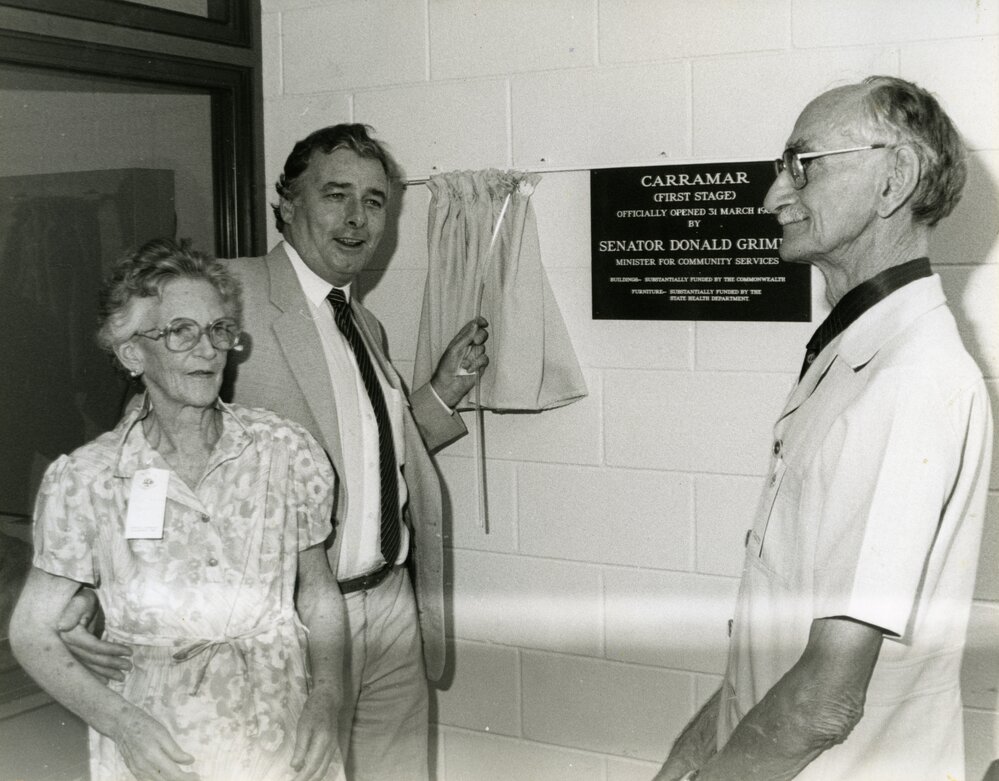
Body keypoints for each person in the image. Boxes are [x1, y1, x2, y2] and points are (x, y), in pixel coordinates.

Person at [62, 125, 488, 780]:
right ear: (286, 204)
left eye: (374, 202)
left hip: (391, 605)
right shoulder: (229, 295)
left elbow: (363, 458)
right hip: (291, 620)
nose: (355, 219)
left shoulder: (361, 321)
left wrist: (440, 393)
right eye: (335, 194)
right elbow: (143, 449)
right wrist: (84, 591)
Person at [655, 76, 993, 780]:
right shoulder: (853, 358)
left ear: (892, 179)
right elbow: (777, 647)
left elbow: (824, 701)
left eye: (801, 166)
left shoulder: (910, 379)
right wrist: (688, 755)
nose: (772, 196)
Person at [11, 238, 344, 781]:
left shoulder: (285, 450)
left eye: (218, 330)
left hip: (282, 733)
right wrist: (121, 725)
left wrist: (328, 696)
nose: (208, 350)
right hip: (160, 745)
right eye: (180, 331)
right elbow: (31, 632)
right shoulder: (87, 479)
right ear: (132, 353)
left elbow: (318, 590)